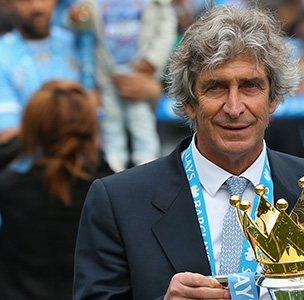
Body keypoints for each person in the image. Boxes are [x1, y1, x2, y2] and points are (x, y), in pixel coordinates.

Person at [72, 5, 304, 300]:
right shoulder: (118, 202)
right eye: (216, 87)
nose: (234, 108)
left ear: (273, 98)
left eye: (250, 86)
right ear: (188, 102)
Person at [0, 81, 111, 299]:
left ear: (31, 128)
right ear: (89, 127)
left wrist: (24, 138)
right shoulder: (107, 190)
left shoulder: (10, 188)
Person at [68, 0, 177, 172]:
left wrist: (154, 60)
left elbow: (166, 26)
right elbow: (81, 27)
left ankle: (147, 159)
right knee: (110, 119)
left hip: (139, 72)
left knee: (140, 118)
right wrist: (75, 18)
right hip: (107, 72)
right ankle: (114, 161)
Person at [0, 0, 85, 167]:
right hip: (29, 178)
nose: (37, 7)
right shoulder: (3, 55)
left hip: (82, 173)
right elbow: (8, 136)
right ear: (8, 3)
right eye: (26, 1)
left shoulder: (75, 42)